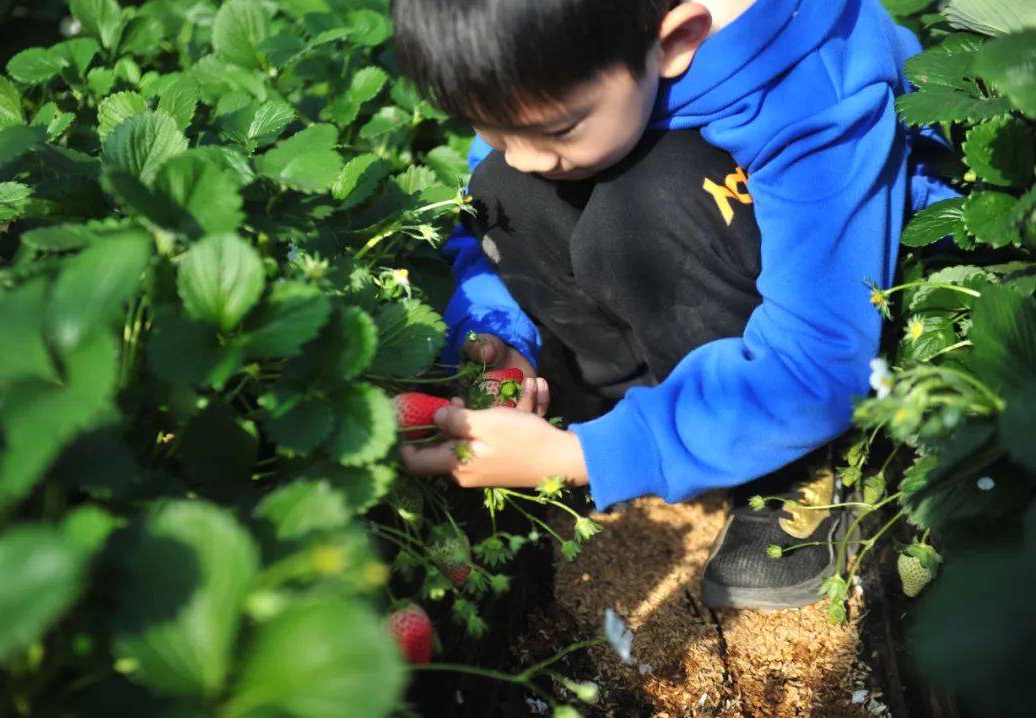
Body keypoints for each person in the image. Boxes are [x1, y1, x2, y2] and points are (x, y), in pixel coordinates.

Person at [391, 0, 956, 609]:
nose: (523, 152)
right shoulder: (556, 65)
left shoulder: (809, 87)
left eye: (556, 130)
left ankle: (790, 469)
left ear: (679, 39)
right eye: (490, 126)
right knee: (502, 189)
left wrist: (579, 458)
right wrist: (497, 335)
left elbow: (819, 361)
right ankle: (612, 401)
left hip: (817, 311)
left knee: (647, 201)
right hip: (675, 252)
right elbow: (492, 207)